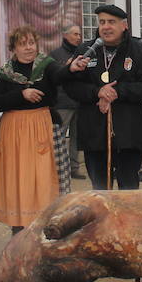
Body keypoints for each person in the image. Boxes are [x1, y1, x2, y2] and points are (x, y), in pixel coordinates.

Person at [63, 4, 142, 190]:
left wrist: (118, 92)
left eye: (111, 22)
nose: (106, 27)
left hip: (129, 136)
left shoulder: (139, 51)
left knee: (128, 192)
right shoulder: (85, 50)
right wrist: (97, 92)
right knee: (100, 192)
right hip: (94, 135)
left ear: (124, 25)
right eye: (102, 22)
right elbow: (71, 86)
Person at [0, 26, 64, 232]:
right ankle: (18, 229)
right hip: (13, 130)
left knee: (42, 177)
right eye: (22, 44)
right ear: (13, 48)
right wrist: (21, 95)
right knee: (16, 177)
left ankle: (44, 227)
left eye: (31, 43)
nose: (28, 48)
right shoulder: (6, 73)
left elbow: (60, 77)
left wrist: (72, 68)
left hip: (40, 125)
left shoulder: (47, 67)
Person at [48, 23, 86, 185]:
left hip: (80, 102)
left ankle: (74, 167)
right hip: (62, 103)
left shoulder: (83, 53)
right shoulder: (55, 55)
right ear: (65, 35)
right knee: (59, 138)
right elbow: (52, 78)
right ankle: (57, 168)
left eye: (79, 34)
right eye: (75, 34)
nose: (78, 37)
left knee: (77, 138)